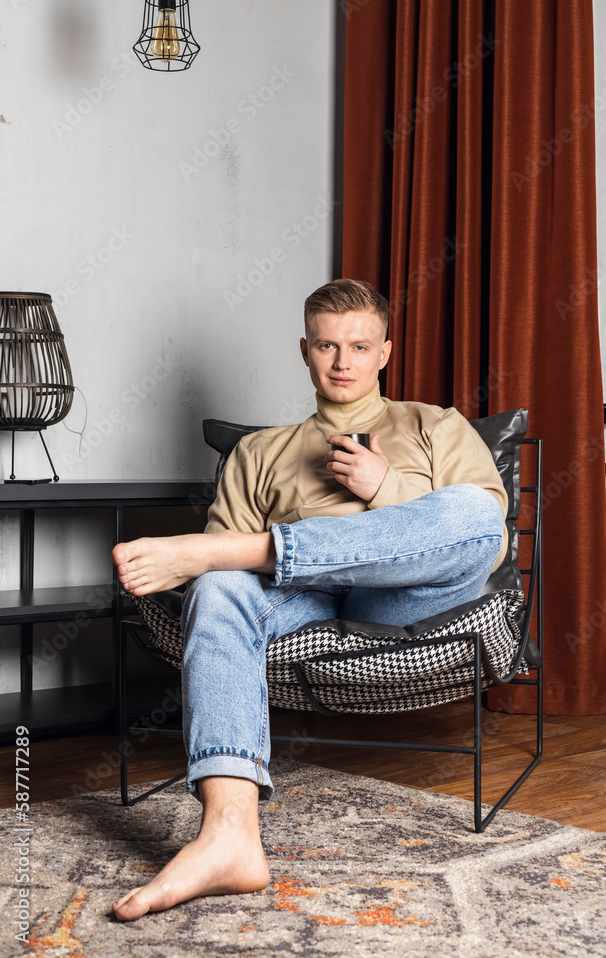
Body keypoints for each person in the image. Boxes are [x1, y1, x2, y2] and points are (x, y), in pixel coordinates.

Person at [111, 278, 508, 922]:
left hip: (407, 601)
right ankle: (228, 836)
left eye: (359, 346)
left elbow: (480, 540)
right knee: (217, 584)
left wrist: (387, 486)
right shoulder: (259, 450)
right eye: (327, 345)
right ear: (305, 350)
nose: (343, 361)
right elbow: (229, 596)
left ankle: (247, 547)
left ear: (384, 352)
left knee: (471, 510)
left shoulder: (434, 426)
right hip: (305, 602)